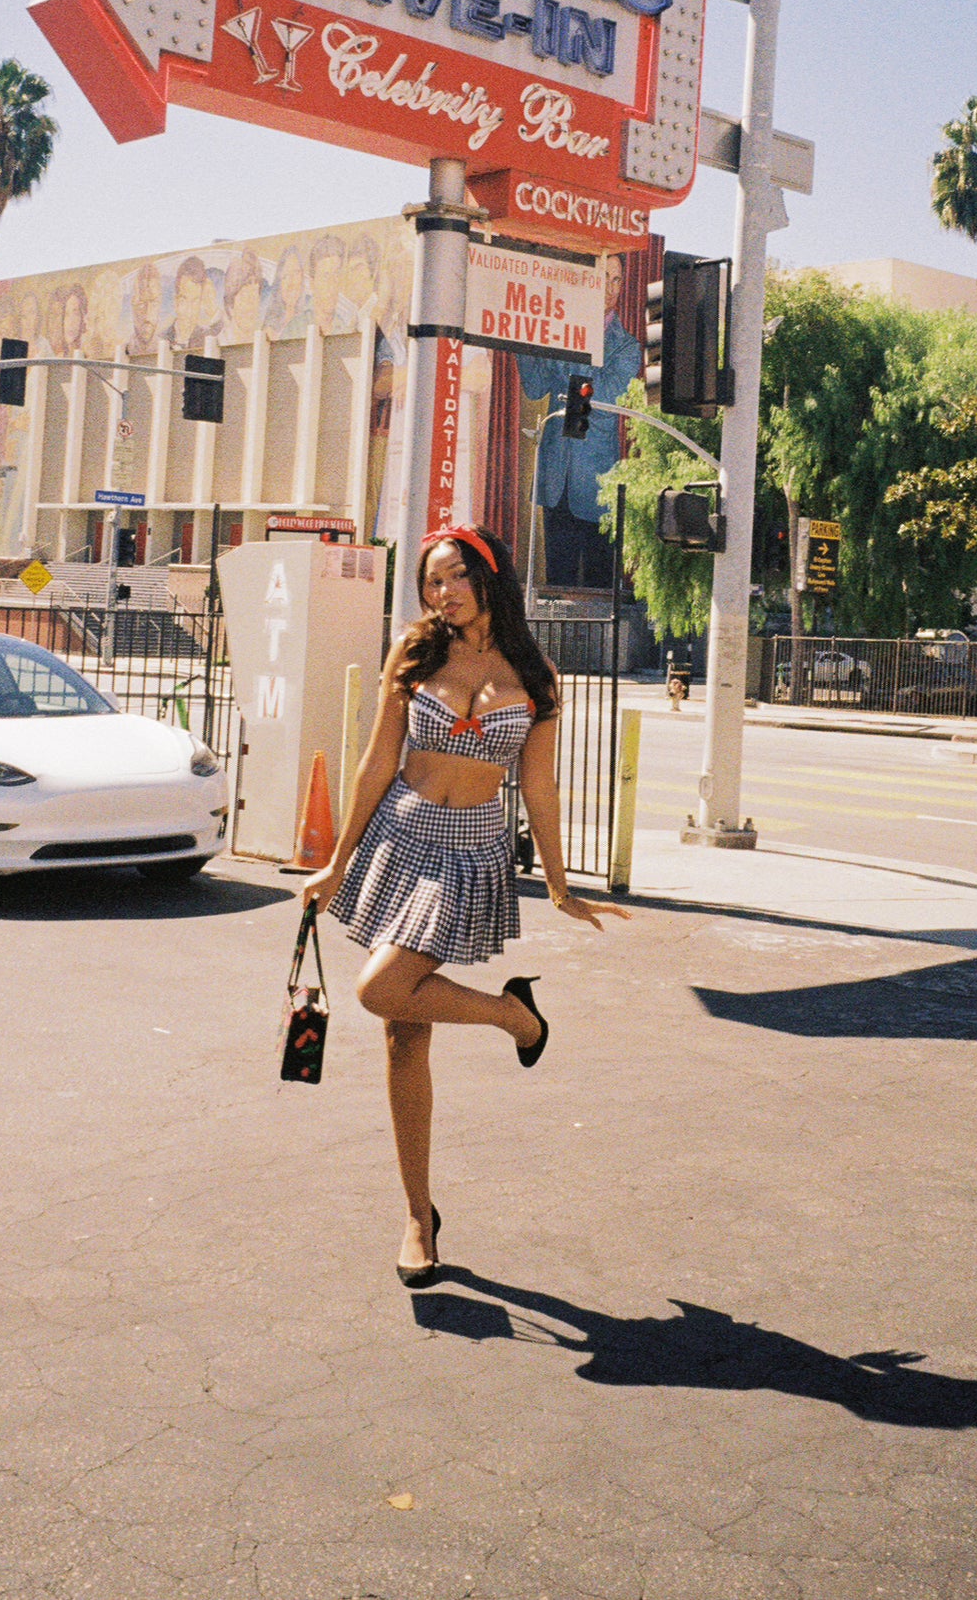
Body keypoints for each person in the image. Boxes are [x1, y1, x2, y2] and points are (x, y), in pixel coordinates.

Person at [298, 523, 628, 1286]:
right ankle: (418, 1213)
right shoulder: (414, 655)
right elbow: (379, 759)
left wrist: (558, 881)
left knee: (380, 988)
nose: (440, 594)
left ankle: (518, 1016)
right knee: (401, 1036)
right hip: (400, 838)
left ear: (488, 576)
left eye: (452, 578)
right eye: (430, 584)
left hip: (470, 852)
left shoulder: (536, 674)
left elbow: (537, 786)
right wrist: (334, 861)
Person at [519, 252, 641, 589]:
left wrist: (568, 340)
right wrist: (522, 334)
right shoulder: (558, 329)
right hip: (555, 479)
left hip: (597, 486)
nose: (611, 287)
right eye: (604, 277)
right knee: (557, 587)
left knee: (600, 589)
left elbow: (595, 398)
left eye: (616, 280)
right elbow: (533, 387)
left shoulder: (627, 348)